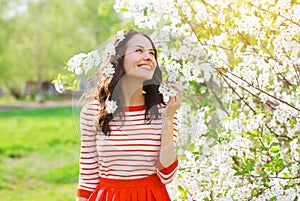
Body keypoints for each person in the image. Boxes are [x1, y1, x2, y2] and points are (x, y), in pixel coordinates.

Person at [76, 29, 182, 201]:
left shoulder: (165, 110)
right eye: (139, 50)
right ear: (119, 58)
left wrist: (168, 118)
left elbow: (167, 175)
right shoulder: (92, 112)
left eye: (152, 53)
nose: (148, 57)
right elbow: (88, 179)